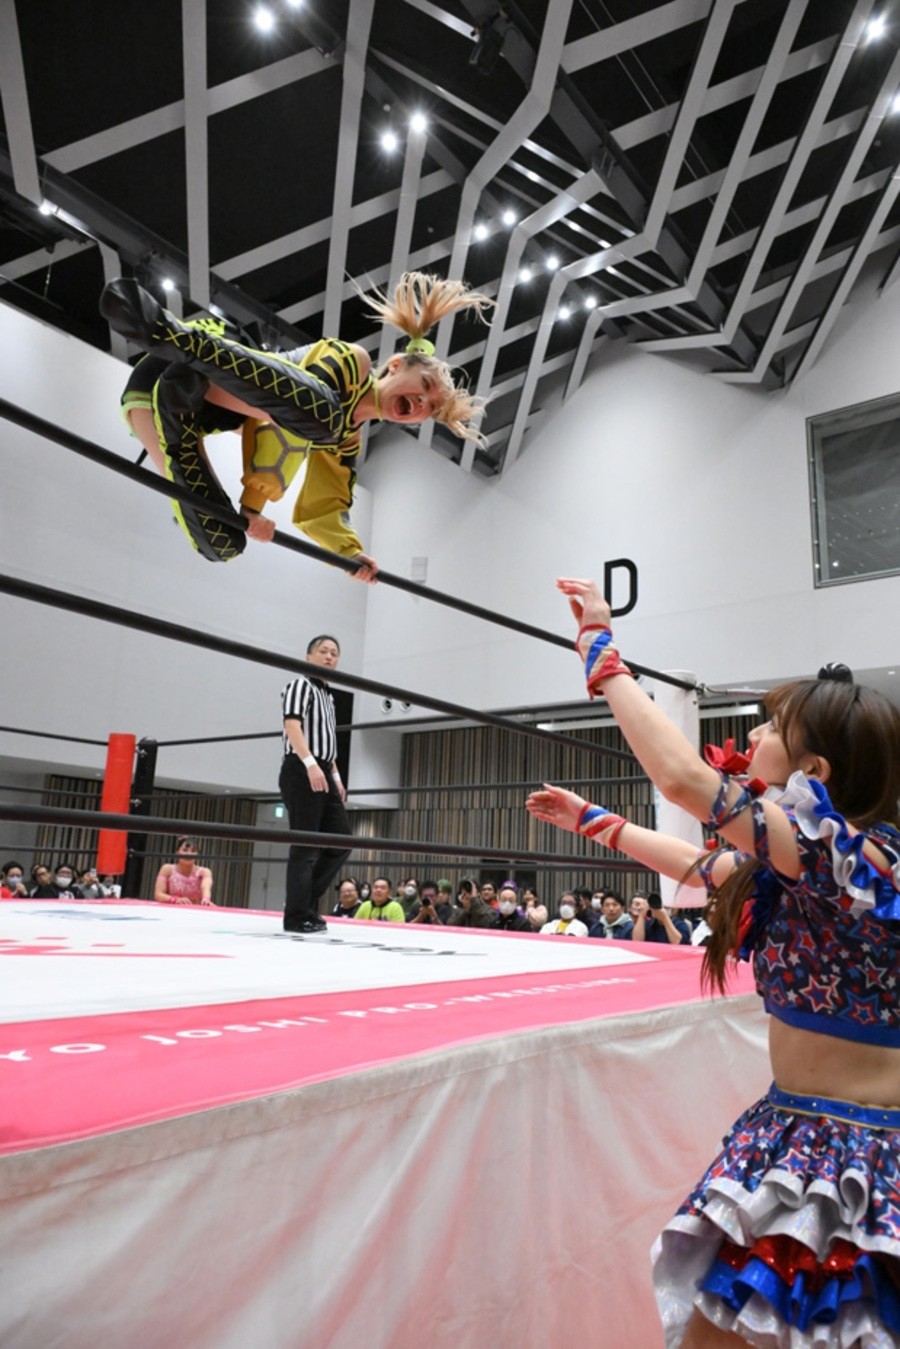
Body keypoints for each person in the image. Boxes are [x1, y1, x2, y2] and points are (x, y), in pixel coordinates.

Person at [531, 575, 900, 1348]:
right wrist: (591, 819)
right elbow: (700, 867)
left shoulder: (850, 857)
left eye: (772, 724)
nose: (753, 733)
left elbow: (682, 780)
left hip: (852, 1151)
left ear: (815, 773)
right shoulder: (811, 865)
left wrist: (600, 649)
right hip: (798, 1129)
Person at [101, 271, 493, 567]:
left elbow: (325, 506)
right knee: (323, 418)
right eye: (424, 385)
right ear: (394, 365)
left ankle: (176, 396)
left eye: (429, 406)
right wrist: (254, 504)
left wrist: (350, 555)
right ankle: (170, 333)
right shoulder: (353, 362)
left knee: (223, 543)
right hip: (187, 364)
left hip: (179, 407)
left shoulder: (347, 439)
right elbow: (288, 429)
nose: (421, 402)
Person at [280, 634, 351, 934]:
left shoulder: (329, 697)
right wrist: (309, 764)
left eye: (334, 653)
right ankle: (296, 916)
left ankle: (305, 902)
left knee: (342, 840)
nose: (329, 656)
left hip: (323, 768)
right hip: (301, 767)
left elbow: (328, 741)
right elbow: (292, 725)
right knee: (306, 846)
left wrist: (335, 776)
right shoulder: (300, 685)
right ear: (309, 656)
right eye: (323, 651)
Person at [154, 837, 214, 906]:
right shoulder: (167, 869)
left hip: (194, 911)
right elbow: (158, 894)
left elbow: (206, 888)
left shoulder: (204, 872)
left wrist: (206, 899)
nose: (189, 854)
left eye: (193, 851)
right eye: (185, 850)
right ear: (177, 852)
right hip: (171, 909)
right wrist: (176, 900)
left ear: (197, 854)